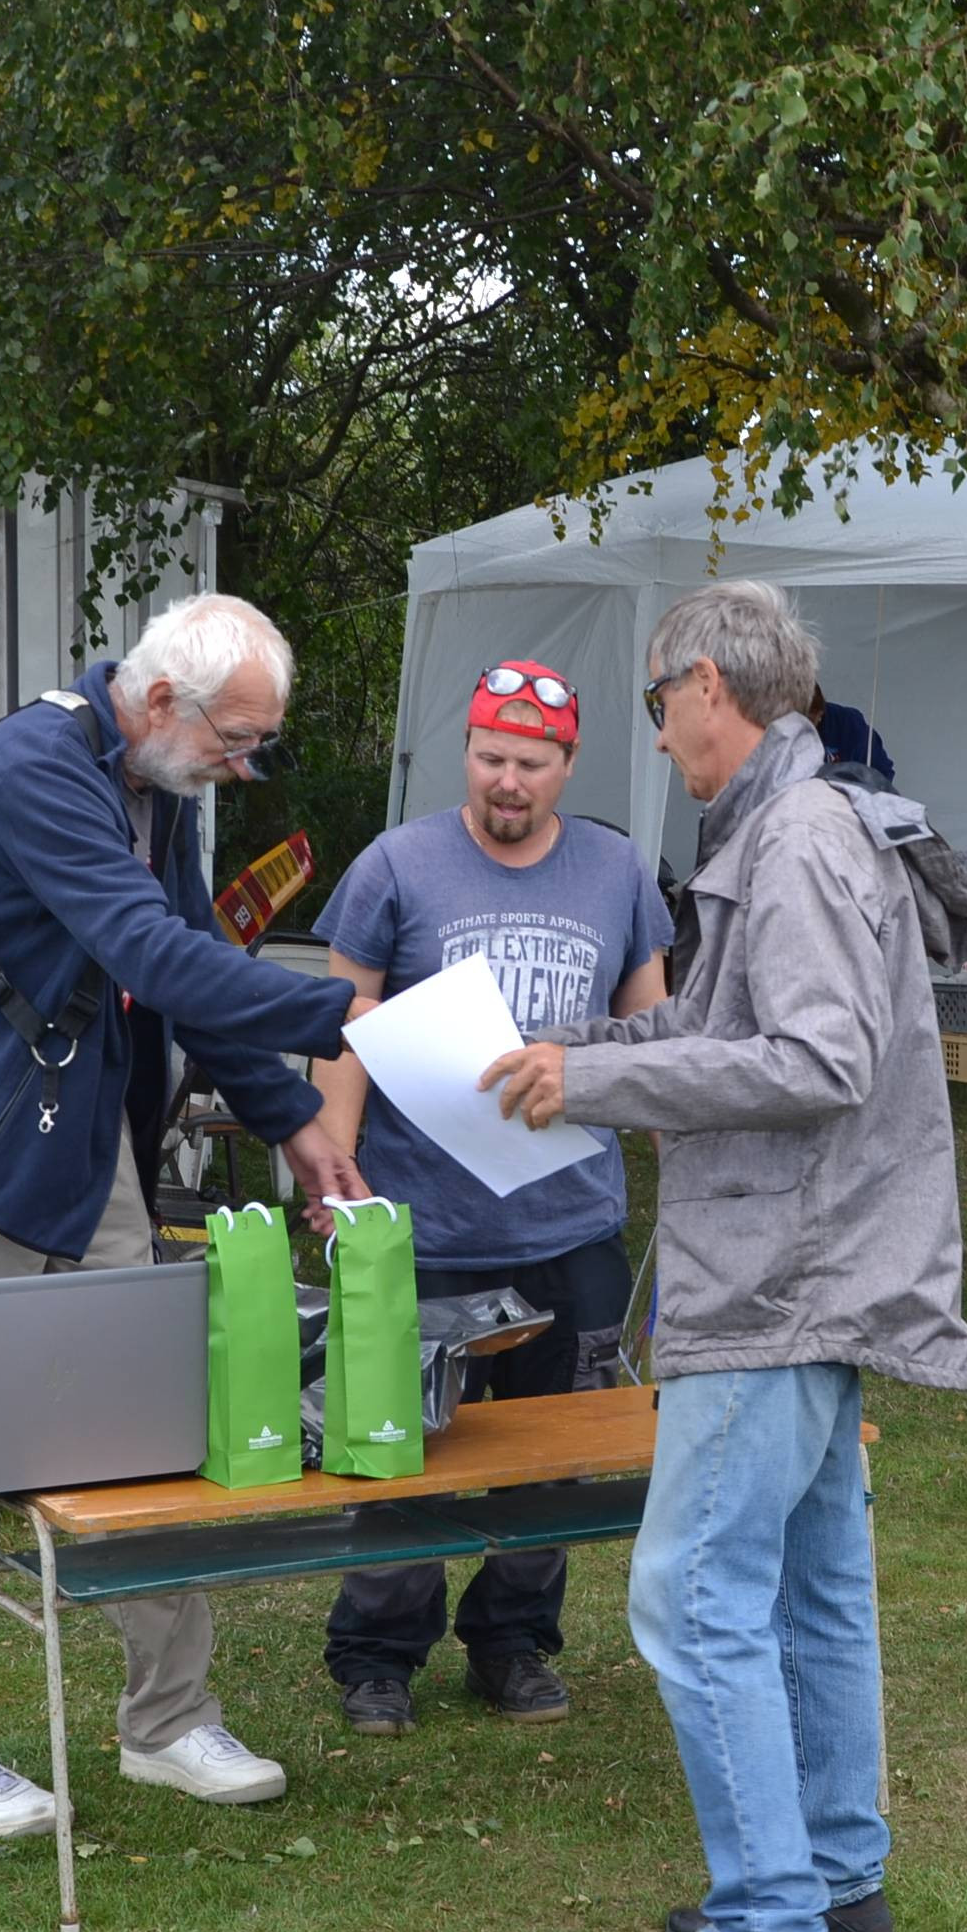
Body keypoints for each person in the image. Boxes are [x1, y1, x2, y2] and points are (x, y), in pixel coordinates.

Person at [480, 578, 967, 1932]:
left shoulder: (800, 836)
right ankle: (836, 1884)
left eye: (656, 702)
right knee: (814, 1593)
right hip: (816, 1270)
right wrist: (568, 1048)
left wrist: (596, 1082)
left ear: (709, 685)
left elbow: (817, 1061)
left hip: (784, 1276)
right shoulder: (786, 824)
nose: (657, 732)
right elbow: (714, 1032)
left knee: (692, 1595)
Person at [0, 593, 373, 1840]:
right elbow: (150, 954)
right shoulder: (27, 768)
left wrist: (294, 1119)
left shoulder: (159, 785)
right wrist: (344, 1014)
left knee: (146, 1414)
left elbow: (185, 967)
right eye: (239, 742)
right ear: (164, 700)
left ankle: (168, 1721)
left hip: (75, 1144)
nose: (244, 770)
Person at [304, 659, 673, 1737]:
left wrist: (687, 1160)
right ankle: (379, 1654)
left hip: (572, 1221)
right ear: (465, 751)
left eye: (530, 764)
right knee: (402, 1446)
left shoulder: (618, 870)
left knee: (552, 1456)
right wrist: (334, 1163)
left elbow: (654, 1036)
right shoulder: (397, 865)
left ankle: (513, 1641)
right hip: (428, 1222)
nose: (506, 782)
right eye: (489, 758)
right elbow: (343, 1025)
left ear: (569, 763)